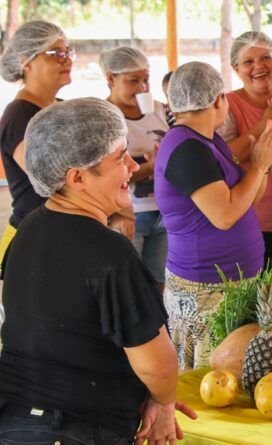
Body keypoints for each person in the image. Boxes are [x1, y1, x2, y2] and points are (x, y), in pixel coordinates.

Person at [0, 97, 195, 443]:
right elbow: (157, 364)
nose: (133, 167)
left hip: (14, 423)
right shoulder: (109, 252)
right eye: (119, 158)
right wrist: (163, 403)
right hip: (80, 429)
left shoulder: (27, 228)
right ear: (77, 177)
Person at [154, 61, 272, 369]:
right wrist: (258, 165)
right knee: (211, 379)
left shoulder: (209, 141)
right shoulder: (186, 148)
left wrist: (266, 162)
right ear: (218, 100)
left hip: (232, 282)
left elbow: (248, 199)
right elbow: (225, 215)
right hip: (205, 288)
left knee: (235, 374)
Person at [218, 31, 272, 267]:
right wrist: (266, 121)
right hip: (255, 218)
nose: (259, 66)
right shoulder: (227, 105)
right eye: (248, 62)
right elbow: (226, 158)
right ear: (236, 68)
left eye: (265, 58)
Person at [0, 21, 73, 263]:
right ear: (26, 61)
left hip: (64, 229)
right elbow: (49, 179)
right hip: (34, 237)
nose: (66, 59)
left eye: (68, 52)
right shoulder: (18, 117)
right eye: (56, 53)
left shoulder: (62, 107)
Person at [100, 46, 169, 288]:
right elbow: (101, 177)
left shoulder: (162, 110)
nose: (142, 88)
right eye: (133, 81)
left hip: (165, 212)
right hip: (128, 215)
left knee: (158, 282)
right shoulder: (102, 118)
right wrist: (151, 167)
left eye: (146, 80)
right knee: (127, 285)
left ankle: (157, 326)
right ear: (110, 78)